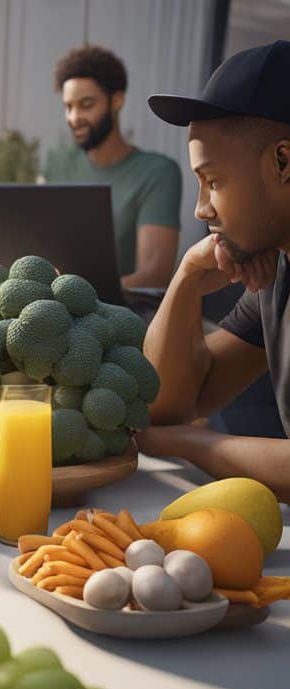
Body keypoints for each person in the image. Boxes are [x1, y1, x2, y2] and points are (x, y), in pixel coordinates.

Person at [139, 40, 290, 498]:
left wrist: (201, 445)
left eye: (213, 181)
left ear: (283, 162)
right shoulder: (275, 273)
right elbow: (170, 405)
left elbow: (177, 428)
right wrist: (186, 279)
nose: (201, 209)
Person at [44, 45, 182, 307]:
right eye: (68, 107)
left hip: (125, 312)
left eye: (86, 104)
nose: (74, 118)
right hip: (56, 309)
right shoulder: (57, 163)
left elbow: (156, 274)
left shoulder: (157, 172)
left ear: (116, 101)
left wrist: (77, 293)